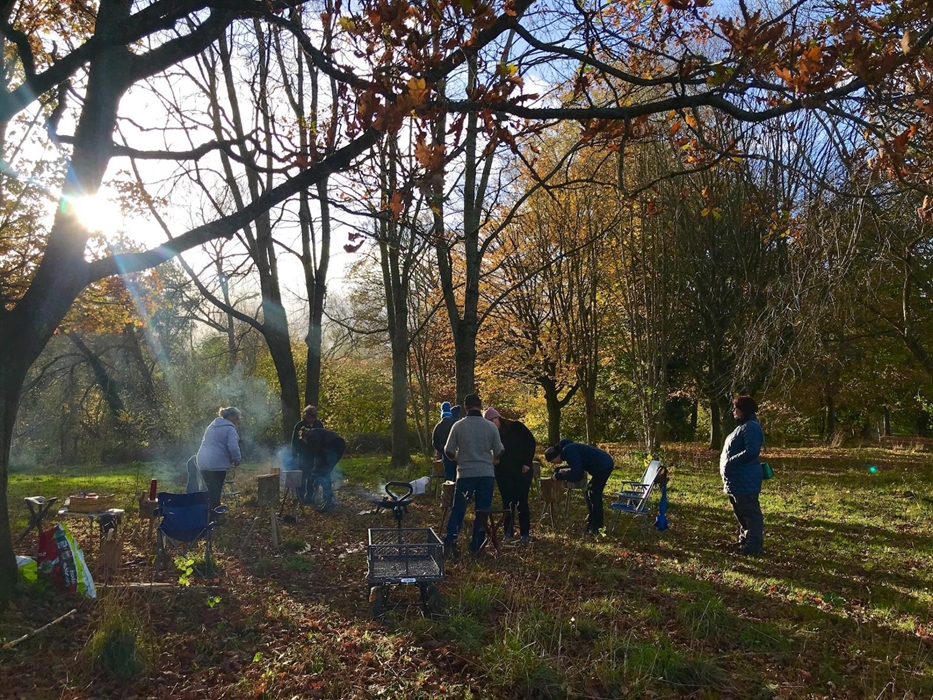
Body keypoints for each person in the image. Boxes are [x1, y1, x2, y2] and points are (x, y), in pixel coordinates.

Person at [444, 393, 504, 555]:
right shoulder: (490, 427)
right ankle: (477, 546)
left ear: (465, 407)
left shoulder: (459, 426)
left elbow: (448, 450)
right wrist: (493, 460)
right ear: (480, 406)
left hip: (465, 474)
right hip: (486, 474)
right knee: (482, 511)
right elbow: (500, 450)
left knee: (458, 509)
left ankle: (451, 542)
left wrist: (458, 458)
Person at [720, 395, 765, 555]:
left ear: (743, 410)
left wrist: (731, 461)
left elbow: (752, 451)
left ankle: (754, 546)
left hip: (745, 478)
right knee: (741, 512)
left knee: (750, 513)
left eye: (735, 408)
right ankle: (745, 541)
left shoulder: (751, 427)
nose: (733, 411)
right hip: (737, 479)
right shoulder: (743, 426)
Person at [484, 407, 536, 543]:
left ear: (497, 418)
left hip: (521, 470)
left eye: (491, 421)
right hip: (503, 472)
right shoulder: (492, 433)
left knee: (521, 501)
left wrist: (527, 462)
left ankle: (525, 533)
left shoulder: (517, 427)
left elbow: (530, 443)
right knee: (507, 502)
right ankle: (508, 531)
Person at [545, 439, 614, 535]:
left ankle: (597, 526)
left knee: (594, 494)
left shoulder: (568, 451)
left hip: (603, 466)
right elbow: (577, 467)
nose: (554, 463)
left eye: (553, 461)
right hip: (603, 464)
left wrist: (560, 476)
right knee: (590, 492)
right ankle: (592, 521)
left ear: (556, 455)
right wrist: (560, 470)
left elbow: (577, 473)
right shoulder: (568, 450)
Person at [196, 406, 242, 510]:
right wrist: (237, 459)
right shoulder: (230, 428)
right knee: (216, 491)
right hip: (217, 464)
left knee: (207, 490)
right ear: (230, 416)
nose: (237, 420)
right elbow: (233, 447)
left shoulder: (212, 426)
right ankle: (214, 516)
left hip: (202, 461)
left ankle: (204, 513)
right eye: (236, 417)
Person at [299, 426, 346, 511]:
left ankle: (329, 502)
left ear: (303, 437)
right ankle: (329, 500)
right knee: (325, 472)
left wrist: (316, 466)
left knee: (324, 473)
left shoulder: (310, 435)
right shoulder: (315, 432)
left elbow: (318, 448)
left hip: (333, 445)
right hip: (338, 444)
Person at [432, 402, 458, 481]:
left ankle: (448, 491)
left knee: (448, 472)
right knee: (458, 472)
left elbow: (434, 442)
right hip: (457, 451)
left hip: (445, 453)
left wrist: (441, 450)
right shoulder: (456, 423)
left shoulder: (439, 426)